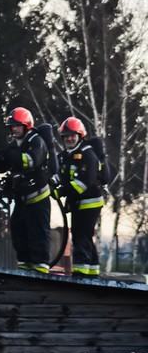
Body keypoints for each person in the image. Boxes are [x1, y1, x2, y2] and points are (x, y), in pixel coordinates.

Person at [0, 107, 52, 273]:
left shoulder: (36, 141)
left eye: (17, 125)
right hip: (22, 198)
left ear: (26, 125)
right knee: (18, 232)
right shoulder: (15, 145)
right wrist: (0, 162)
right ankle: (24, 270)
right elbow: (6, 165)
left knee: (37, 234)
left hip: (38, 198)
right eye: (12, 126)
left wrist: (10, 154)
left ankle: (40, 271)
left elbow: (30, 161)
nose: (14, 129)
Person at [56, 117, 104, 277]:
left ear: (80, 136)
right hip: (78, 203)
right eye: (66, 136)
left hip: (89, 203)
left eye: (72, 135)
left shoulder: (87, 155)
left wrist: (61, 192)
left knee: (81, 236)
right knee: (85, 236)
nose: (69, 138)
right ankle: (92, 273)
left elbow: (83, 184)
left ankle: (80, 274)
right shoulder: (65, 155)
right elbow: (59, 175)